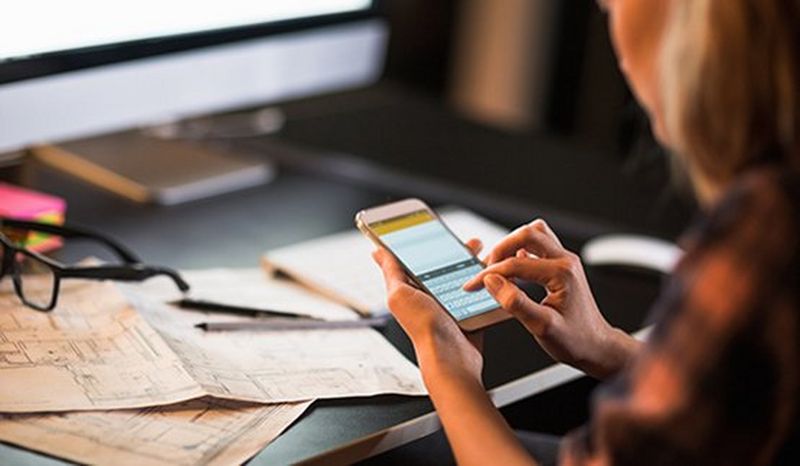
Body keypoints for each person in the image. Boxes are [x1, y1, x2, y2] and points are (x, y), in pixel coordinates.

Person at [372, 0, 800, 464]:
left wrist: (448, 368)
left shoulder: (765, 231)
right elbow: (741, 396)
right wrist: (606, 345)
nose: (613, 32)